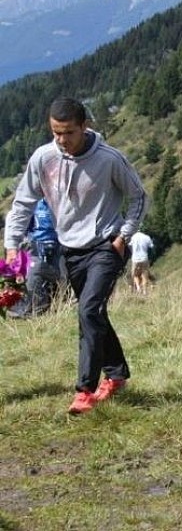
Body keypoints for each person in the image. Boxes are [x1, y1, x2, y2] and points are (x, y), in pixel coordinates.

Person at [4, 96, 148, 415]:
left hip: (105, 245)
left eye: (68, 132)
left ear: (84, 126)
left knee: (88, 310)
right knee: (93, 313)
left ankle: (85, 391)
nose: (62, 139)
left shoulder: (109, 159)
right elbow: (22, 204)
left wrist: (123, 237)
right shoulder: (43, 158)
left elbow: (139, 197)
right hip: (70, 249)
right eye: (56, 132)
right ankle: (117, 375)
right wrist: (12, 246)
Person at [8, 200, 64, 319]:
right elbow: (22, 227)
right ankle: (34, 304)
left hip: (60, 245)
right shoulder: (33, 204)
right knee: (34, 269)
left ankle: (54, 301)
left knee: (62, 277)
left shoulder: (61, 201)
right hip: (36, 246)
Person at [128, 229, 154, 295]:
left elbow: (129, 245)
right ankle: (145, 291)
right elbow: (151, 246)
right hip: (144, 258)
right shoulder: (147, 237)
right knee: (144, 275)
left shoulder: (133, 237)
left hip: (135, 259)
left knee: (135, 275)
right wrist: (150, 258)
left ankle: (138, 288)